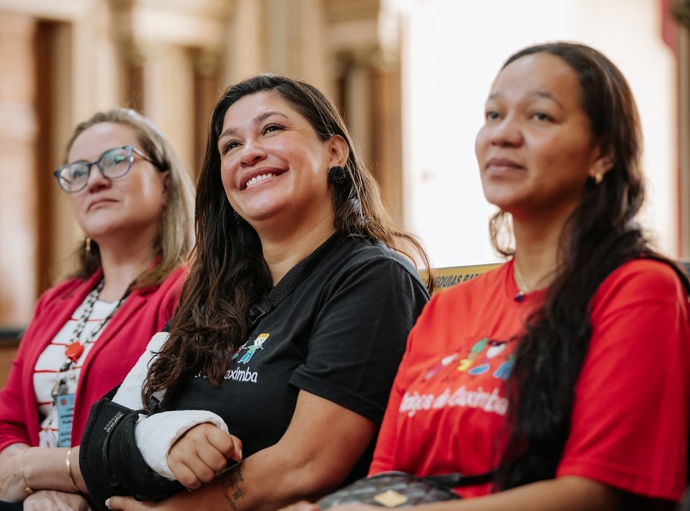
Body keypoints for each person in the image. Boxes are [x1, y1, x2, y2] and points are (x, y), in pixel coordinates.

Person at [281, 42, 690, 511]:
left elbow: (598, 493)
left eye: (539, 116)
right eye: (493, 115)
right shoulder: (447, 309)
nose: (503, 134)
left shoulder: (638, 290)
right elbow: (387, 479)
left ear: (603, 154)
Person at [79, 74, 433, 511]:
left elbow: (306, 466)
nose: (249, 153)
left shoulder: (374, 279)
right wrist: (162, 439)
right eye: (230, 146)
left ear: (334, 152)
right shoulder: (211, 293)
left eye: (272, 129)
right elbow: (102, 434)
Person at [0, 107, 196, 511]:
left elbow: (161, 438)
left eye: (116, 160)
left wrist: (52, 475)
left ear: (166, 183)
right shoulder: (57, 301)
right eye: (78, 171)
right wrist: (35, 487)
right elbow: (2, 428)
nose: (95, 180)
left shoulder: (188, 292)